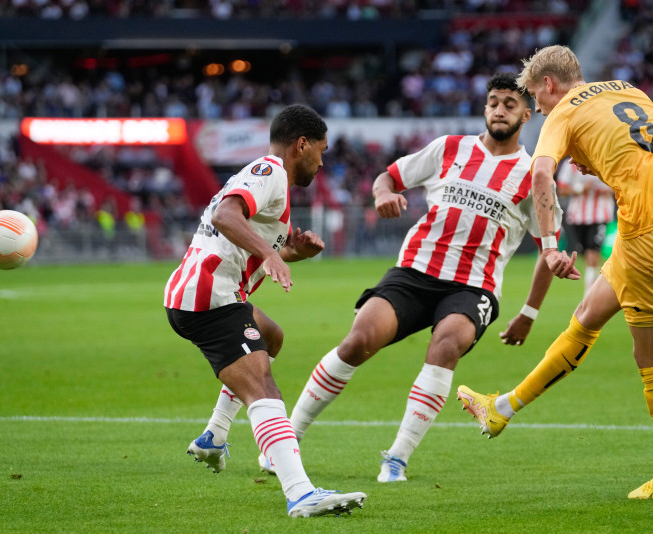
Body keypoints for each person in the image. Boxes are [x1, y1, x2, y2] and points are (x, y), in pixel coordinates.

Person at [457, 45, 653, 500]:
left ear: (549, 85)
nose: (538, 109)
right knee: (588, 315)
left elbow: (540, 176)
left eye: (536, 98)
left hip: (651, 225)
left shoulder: (562, 114)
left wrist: (550, 246)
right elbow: (648, 144)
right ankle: (502, 409)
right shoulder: (627, 89)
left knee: (650, 356)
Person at [288, 72, 561, 482]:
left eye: (509, 103)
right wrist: (382, 194)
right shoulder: (448, 148)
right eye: (493, 102)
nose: (499, 110)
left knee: (447, 342)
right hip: (414, 272)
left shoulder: (533, 176)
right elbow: (389, 177)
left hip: (473, 286)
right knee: (357, 340)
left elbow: (548, 251)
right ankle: (286, 443)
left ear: (526, 113)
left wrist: (529, 312)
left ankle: (396, 458)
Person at [165, 104, 365, 518]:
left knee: (271, 337)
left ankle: (214, 437)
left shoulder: (273, 184)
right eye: (320, 151)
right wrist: (268, 255)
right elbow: (225, 216)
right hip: (211, 298)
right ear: (302, 144)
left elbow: (254, 241)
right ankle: (300, 493)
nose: (321, 162)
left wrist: (291, 251)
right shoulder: (270, 171)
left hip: (208, 296)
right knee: (263, 388)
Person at [556, 161, 615, 295]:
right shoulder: (570, 164)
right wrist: (581, 188)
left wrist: (609, 189)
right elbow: (562, 189)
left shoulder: (604, 159)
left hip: (600, 214)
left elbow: (622, 184)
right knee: (586, 254)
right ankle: (598, 284)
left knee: (592, 252)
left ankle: (589, 294)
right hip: (578, 216)